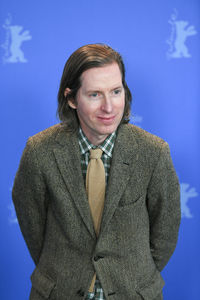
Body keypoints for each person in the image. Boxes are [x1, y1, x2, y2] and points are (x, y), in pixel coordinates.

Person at [12, 43, 181, 300]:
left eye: (116, 91)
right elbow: (32, 225)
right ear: (71, 98)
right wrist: (62, 270)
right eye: (94, 95)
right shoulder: (39, 151)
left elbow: (166, 230)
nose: (109, 107)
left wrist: (134, 275)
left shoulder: (153, 151)